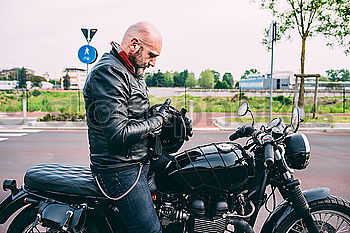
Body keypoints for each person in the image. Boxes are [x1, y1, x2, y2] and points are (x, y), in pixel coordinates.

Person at [83, 21, 172, 233]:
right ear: (133, 44)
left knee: (188, 175)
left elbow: (134, 112)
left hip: (139, 158)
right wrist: (157, 121)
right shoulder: (109, 73)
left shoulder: (130, 70)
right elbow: (118, 133)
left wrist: (167, 117)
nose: (153, 63)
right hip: (119, 168)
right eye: (152, 55)